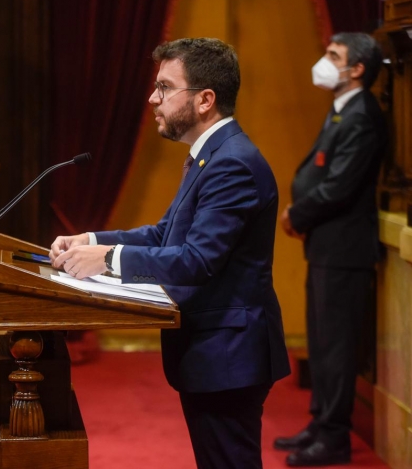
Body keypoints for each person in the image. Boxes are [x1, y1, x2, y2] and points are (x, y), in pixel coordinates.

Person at [49, 37, 290, 469]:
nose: (152, 98)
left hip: (228, 354)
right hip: (215, 351)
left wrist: (106, 260)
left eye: (164, 87)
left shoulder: (231, 163)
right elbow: (164, 235)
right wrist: (92, 240)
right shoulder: (210, 155)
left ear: (205, 100)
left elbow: (197, 259)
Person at [276, 33, 387, 467]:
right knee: (321, 343)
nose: (323, 62)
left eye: (333, 56)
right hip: (326, 246)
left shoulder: (363, 115)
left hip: (345, 249)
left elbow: (339, 187)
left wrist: (296, 215)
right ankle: (320, 423)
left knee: (337, 346)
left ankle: (335, 437)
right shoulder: (343, 110)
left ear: (356, 69)